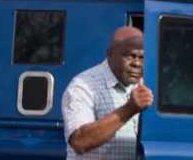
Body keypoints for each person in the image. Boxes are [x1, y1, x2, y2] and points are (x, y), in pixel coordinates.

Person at [62, 26, 153, 159]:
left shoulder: (143, 85)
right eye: (131, 56)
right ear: (109, 53)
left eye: (142, 57)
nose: (137, 64)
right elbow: (80, 141)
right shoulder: (83, 86)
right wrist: (129, 109)